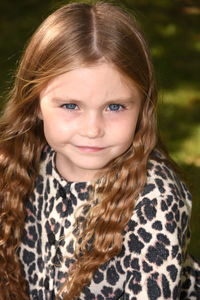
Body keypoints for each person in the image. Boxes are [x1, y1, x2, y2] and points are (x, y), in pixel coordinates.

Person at [0, 1, 199, 300]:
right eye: (71, 105)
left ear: (142, 107)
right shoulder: (19, 162)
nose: (93, 129)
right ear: (35, 104)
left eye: (114, 106)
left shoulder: (156, 199)